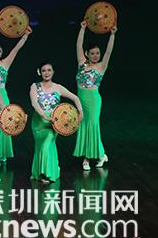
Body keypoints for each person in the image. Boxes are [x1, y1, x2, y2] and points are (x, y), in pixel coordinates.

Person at [0, 20, 32, 163]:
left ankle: (1, 153)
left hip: (2, 96)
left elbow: (15, 49)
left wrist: (25, 36)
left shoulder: (5, 63)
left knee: (4, 122)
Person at [73, 22, 117, 170]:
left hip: (93, 100)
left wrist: (112, 35)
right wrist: (82, 28)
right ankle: (101, 155)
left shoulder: (101, 66)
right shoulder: (82, 63)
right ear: (87, 54)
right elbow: (78, 45)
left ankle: (87, 159)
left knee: (92, 126)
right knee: (84, 126)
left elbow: (109, 52)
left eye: (97, 53)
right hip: (81, 99)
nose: (96, 55)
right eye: (92, 53)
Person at [30, 62, 82, 183]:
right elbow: (34, 103)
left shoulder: (58, 87)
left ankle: (47, 174)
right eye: (44, 70)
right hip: (39, 122)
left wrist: (80, 111)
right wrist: (44, 116)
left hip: (54, 123)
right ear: (40, 72)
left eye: (49, 70)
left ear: (53, 72)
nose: (46, 73)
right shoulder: (35, 86)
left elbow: (75, 98)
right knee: (40, 147)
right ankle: (40, 171)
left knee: (46, 145)